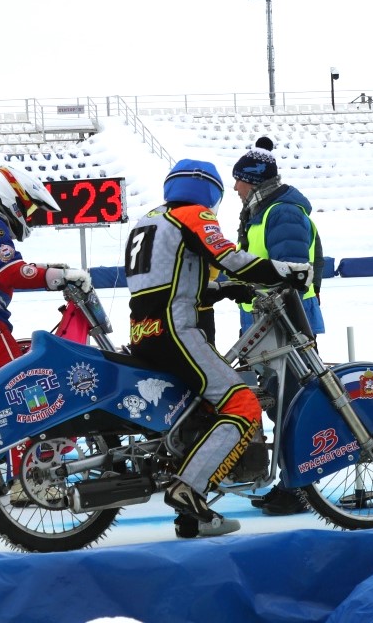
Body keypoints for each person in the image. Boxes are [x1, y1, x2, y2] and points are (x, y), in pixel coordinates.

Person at [124, 158, 312, 539]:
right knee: (241, 404)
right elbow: (230, 258)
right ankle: (187, 489)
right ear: (210, 191)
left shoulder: (149, 220)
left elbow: (174, 279)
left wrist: (229, 289)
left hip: (145, 330)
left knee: (201, 412)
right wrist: (285, 271)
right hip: (177, 331)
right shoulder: (193, 214)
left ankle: (192, 517)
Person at [231, 136, 325, 517]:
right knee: (278, 405)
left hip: (286, 321)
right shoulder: (260, 212)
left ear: (252, 181)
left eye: (238, 180)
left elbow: (289, 272)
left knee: (291, 406)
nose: (234, 188)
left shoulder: (282, 213)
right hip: (264, 323)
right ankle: (294, 481)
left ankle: (299, 487)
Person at [0, 165, 92, 376]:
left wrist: (50, 269)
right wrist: (60, 277)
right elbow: (11, 273)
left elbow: (4, 268)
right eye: (29, 209)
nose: (29, 216)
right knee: (18, 386)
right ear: (12, 198)